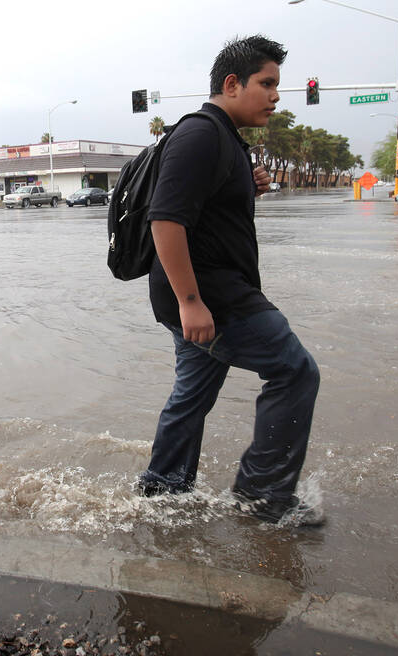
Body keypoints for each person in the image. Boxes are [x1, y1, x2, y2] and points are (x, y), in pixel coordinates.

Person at [135, 35, 322, 526]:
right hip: (213, 296)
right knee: (295, 371)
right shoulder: (201, 133)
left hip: (206, 292)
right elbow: (166, 220)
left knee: (191, 395)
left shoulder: (224, 138)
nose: (276, 96)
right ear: (232, 83)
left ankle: (162, 494)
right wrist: (191, 303)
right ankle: (262, 497)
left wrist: (249, 182)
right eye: (268, 83)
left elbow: (210, 215)